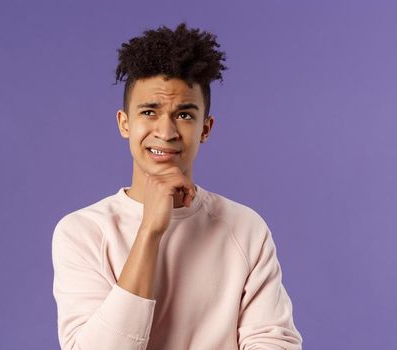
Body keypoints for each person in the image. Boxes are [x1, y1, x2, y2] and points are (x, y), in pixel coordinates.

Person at [51, 23, 302, 349]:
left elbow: (274, 343)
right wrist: (149, 232)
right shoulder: (82, 232)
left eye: (184, 115)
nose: (166, 131)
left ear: (206, 128)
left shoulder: (245, 228)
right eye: (149, 111)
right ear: (124, 123)